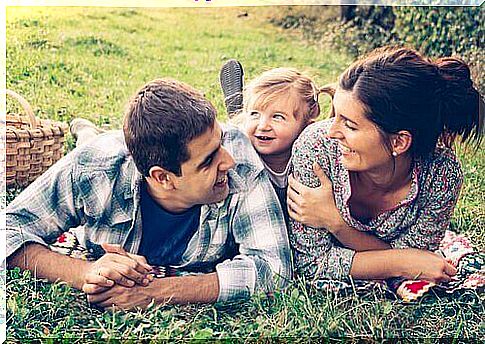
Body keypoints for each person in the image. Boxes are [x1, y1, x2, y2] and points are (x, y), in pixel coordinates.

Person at [6, 78, 292, 309]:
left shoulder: (238, 158)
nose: (227, 161)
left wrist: (158, 292)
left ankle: (87, 130)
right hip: (110, 155)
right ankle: (86, 133)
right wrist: (85, 273)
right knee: (91, 144)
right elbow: (8, 229)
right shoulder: (93, 168)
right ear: (163, 178)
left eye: (220, 142)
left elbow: (275, 268)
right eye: (208, 161)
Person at [287, 46, 484, 291]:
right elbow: (312, 264)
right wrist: (402, 260)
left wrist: (336, 224)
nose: (332, 131)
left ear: (399, 142)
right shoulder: (317, 148)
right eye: (335, 115)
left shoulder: (441, 176)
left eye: (349, 125)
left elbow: (416, 258)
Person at [220, 63, 326, 225]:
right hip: (244, 141)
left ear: (306, 126)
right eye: (255, 113)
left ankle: (243, 111)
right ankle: (239, 113)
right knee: (239, 132)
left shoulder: (310, 156)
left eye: (278, 117)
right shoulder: (237, 151)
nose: (263, 125)